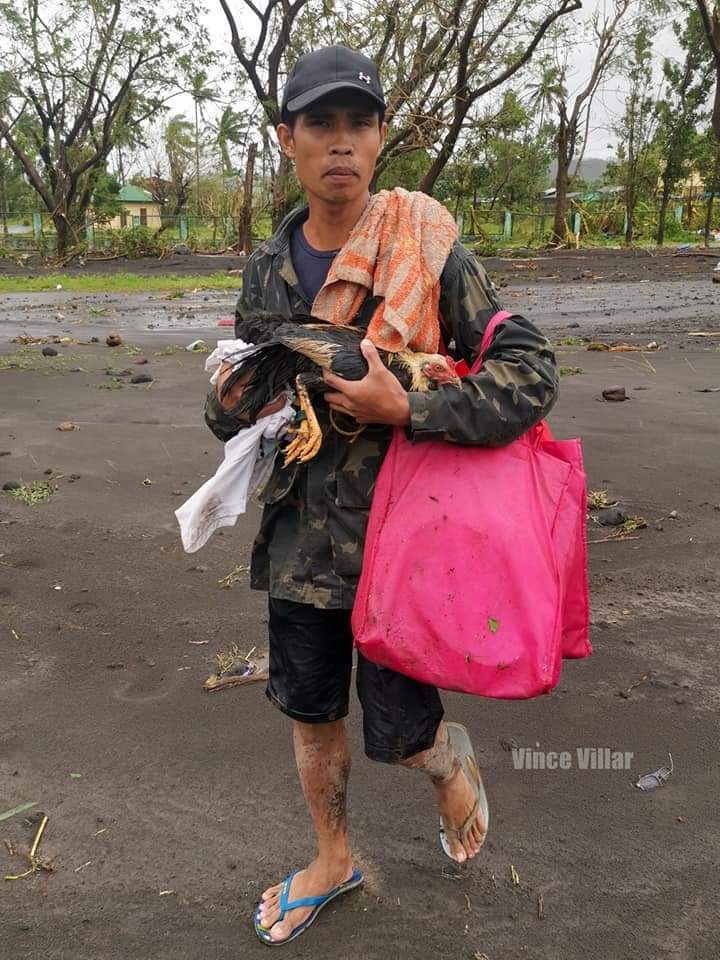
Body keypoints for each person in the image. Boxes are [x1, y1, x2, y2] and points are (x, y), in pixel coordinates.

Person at [204, 45, 559, 946]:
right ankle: (333, 857)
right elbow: (248, 404)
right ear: (286, 139)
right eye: (319, 124)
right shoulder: (267, 270)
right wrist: (226, 400)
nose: (341, 143)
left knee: (402, 729)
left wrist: (411, 404)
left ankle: (447, 762)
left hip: (409, 540)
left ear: (381, 137)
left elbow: (530, 373)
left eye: (358, 123)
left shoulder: (429, 248)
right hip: (299, 543)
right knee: (311, 709)